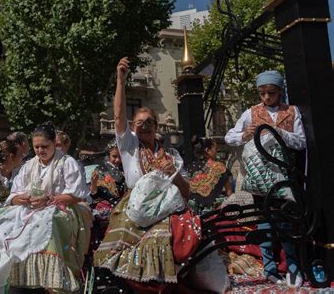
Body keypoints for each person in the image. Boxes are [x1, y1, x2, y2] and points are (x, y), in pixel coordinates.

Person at [94, 57, 228, 293]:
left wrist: (173, 174)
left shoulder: (173, 155)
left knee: (175, 236)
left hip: (168, 208)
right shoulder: (130, 148)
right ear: (132, 127)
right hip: (134, 205)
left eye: (149, 122)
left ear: (156, 127)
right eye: (138, 122)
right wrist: (120, 80)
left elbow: (186, 192)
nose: (143, 126)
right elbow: (117, 117)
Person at [0, 122, 91, 292]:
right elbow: (14, 194)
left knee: (47, 227)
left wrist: (49, 199)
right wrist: (20, 199)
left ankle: (52, 280)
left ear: (53, 143)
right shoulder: (29, 165)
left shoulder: (66, 162)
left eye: (45, 146)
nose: (40, 151)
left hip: (61, 207)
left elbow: (76, 195)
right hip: (31, 209)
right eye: (36, 147)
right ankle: (14, 276)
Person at [225, 70, 306, 288]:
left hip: (285, 179)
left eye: (270, 92)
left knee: (287, 223)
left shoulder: (292, 112)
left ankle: (293, 267)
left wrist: (278, 133)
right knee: (264, 224)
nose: (266, 98)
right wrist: (244, 135)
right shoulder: (251, 113)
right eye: (262, 93)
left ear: (280, 91)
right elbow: (229, 137)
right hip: (260, 181)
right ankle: (270, 268)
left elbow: (301, 142)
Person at [89, 139, 126, 249]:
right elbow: (94, 195)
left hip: (125, 204)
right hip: (106, 206)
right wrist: (94, 183)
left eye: (120, 157)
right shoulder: (100, 170)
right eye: (114, 156)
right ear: (108, 154)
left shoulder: (126, 169)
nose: (117, 160)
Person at [187, 137, 233, 215]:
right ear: (208, 150)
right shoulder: (220, 167)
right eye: (215, 149)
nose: (217, 152)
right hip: (213, 211)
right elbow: (229, 192)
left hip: (193, 211)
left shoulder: (190, 167)